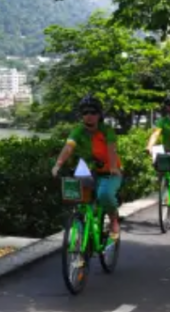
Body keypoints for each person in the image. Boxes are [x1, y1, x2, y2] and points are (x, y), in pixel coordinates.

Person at [51, 95, 122, 243]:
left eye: (93, 112)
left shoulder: (106, 130)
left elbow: (111, 149)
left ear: (99, 114)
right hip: (87, 172)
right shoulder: (78, 131)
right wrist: (58, 165)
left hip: (110, 173)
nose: (89, 116)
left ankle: (114, 221)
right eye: (85, 112)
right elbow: (69, 147)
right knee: (79, 203)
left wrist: (114, 167)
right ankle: (82, 245)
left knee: (104, 194)